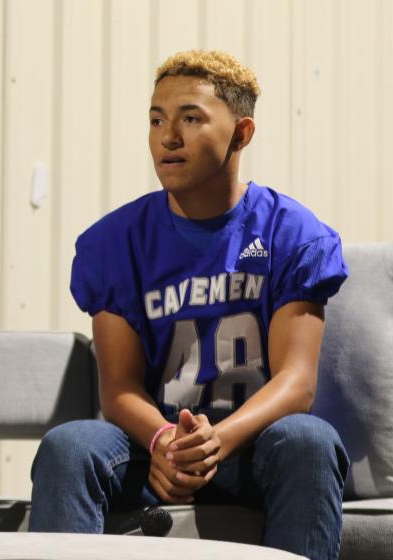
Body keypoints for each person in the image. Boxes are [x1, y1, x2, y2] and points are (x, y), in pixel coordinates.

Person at [30, 50, 349, 559]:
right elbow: (119, 388)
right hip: (155, 450)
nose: (167, 136)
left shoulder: (291, 232)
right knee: (68, 446)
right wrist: (161, 441)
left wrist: (218, 440)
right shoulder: (116, 241)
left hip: (253, 450)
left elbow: (297, 383)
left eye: (191, 119)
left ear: (241, 134)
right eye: (156, 119)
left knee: (309, 441)